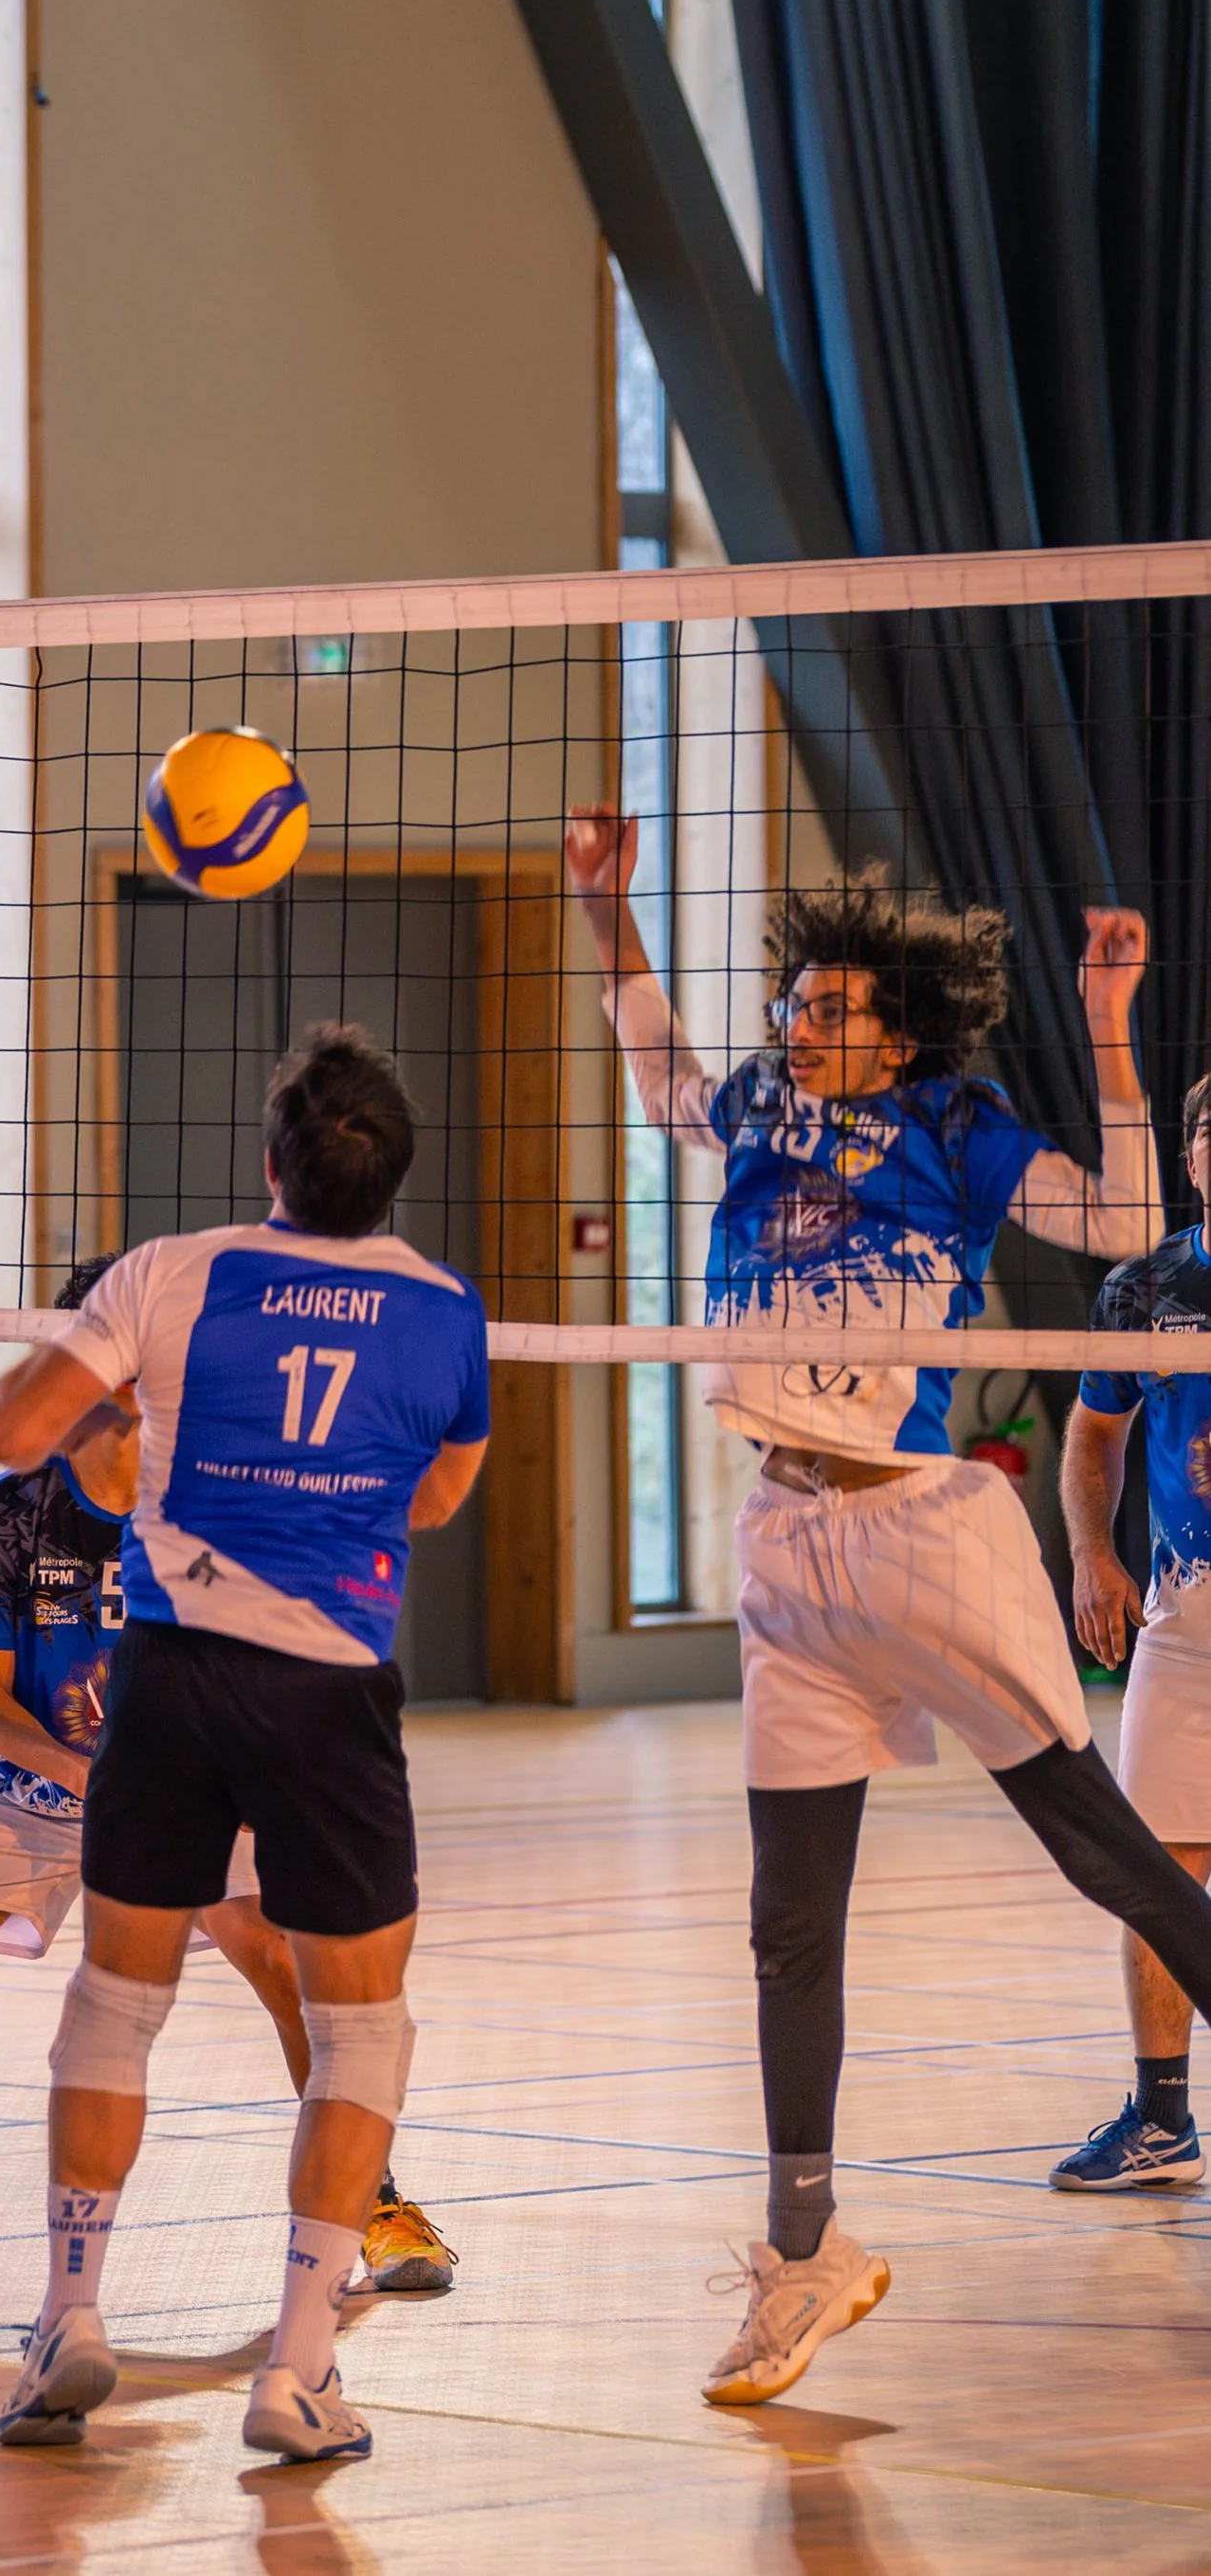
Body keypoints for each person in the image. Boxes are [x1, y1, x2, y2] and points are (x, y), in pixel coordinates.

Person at [567, 812, 1211, 2407]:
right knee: (789, 1917)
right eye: (798, 1006)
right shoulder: (765, 1106)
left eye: (836, 1011)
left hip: (922, 1526)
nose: (803, 1027)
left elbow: (1127, 1227)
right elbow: (659, 1079)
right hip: (783, 1538)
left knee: (1101, 1846)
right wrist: (606, 914)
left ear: (902, 1028)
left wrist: (1115, 1038)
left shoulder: (957, 1125)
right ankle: (805, 2256)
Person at [0, 1025, 491, 2468]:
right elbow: (439, 1503)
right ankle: (302, 2370)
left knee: (116, 1998)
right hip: (330, 1695)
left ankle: (69, 2318)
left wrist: (113, 1423)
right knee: (361, 2027)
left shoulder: (168, 1272)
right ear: (392, 1177)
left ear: (270, 1166)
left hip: (169, 1679)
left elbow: (6, 1427)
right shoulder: (448, 1309)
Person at [0, 1253, 458, 2302]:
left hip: (194, 1780)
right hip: (32, 1788)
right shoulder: (8, 1516)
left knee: (289, 1971)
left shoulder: (216, 1496)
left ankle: (372, 2207)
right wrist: (94, 1779)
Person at [1055, 1066, 1211, 2189]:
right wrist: (1093, 1552)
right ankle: (1162, 2120)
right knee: (1160, 1867)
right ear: (1190, 1152)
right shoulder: (1144, 1289)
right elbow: (1094, 1437)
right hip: (1185, 1618)